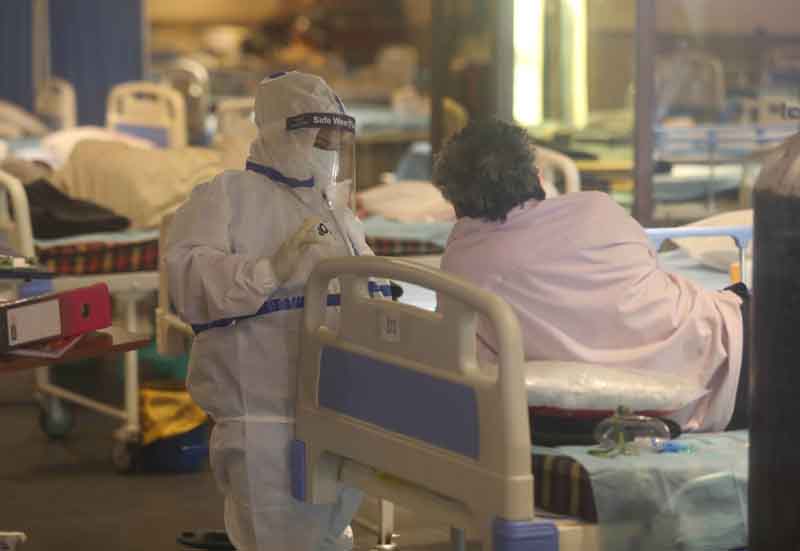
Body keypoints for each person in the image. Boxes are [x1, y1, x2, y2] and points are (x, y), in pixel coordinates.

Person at [165, 71, 384, 551]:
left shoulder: (336, 214)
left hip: (337, 410)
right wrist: (267, 271)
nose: (328, 150)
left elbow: (371, 286)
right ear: (279, 132)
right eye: (318, 137)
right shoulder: (226, 196)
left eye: (335, 140)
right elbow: (189, 280)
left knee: (331, 535)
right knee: (275, 534)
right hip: (263, 420)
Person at [434, 119, 749, 432]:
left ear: (455, 200)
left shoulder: (462, 263)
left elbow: (470, 355)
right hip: (724, 349)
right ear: (536, 176)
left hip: (666, 404)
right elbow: (648, 269)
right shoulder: (596, 210)